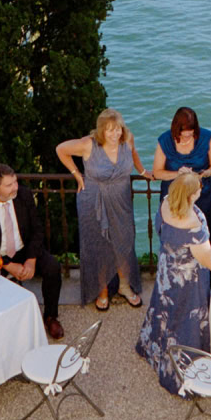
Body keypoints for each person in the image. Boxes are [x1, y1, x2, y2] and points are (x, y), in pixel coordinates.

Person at [136, 171, 211, 393]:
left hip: (166, 273)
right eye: (199, 189)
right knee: (185, 319)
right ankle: (184, 369)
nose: (201, 190)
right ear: (191, 195)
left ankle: (156, 351)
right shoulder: (192, 225)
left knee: (164, 311)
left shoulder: (166, 204)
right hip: (187, 282)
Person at [56, 108, 149, 311]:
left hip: (121, 200)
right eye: (109, 130)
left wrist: (143, 171)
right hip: (93, 201)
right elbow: (60, 149)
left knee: (124, 243)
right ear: (101, 131)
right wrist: (77, 175)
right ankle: (102, 290)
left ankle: (124, 286)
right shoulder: (88, 144)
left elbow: (133, 154)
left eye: (118, 129)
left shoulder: (128, 139)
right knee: (99, 246)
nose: (115, 134)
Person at [0, 163, 65, 339]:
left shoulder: (24, 196)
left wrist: (31, 259)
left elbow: (37, 229)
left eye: (16, 182)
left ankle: (50, 316)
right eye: (9, 185)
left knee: (52, 267)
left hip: (24, 250)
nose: (15, 187)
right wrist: (8, 265)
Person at [152, 107, 211, 253]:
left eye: (191, 134)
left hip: (204, 196)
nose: (188, 138)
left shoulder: (206, 137)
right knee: (176, 240)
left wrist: (205, 173)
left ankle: (209, 273)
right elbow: (157, 172)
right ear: (176, 130)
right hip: (175, 200)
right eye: (184, 135)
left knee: (208, 237)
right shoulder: (164, 140)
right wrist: (177, 174)